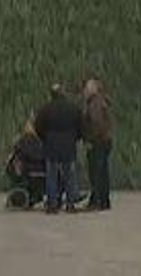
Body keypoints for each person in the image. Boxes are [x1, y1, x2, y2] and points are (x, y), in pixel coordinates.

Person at [33, 84, 83, 214]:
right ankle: (71, 203)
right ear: (63, 93)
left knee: (51, 176)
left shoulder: (45, 109)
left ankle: (52, 204)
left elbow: (38, 127)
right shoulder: (73, 108)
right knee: (70, 175)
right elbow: (81, 125)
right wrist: (74, 138)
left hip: (51, 145)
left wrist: (45, 138)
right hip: (68, 145)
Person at [82, 79, 114, 212]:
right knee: (103, 172)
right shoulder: (101, 101)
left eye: (86, 89)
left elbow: (96, 123)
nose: (84, 92)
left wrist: (90, 139)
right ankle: (104, 200)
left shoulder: (94, 104)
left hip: (98, 142)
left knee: (96, 172)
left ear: (92, 90)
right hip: (105, 140)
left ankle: (96, 201)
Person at [5, 118, 47, 210]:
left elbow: (13, 160)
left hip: (26, 172)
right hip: (43, 172)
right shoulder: (44, 142)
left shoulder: (20, 142)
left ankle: (22, 196)